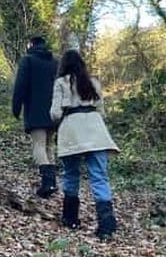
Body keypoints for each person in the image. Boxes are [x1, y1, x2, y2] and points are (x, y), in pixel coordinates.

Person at [50, 49, 119, 239]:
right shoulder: (93, 82)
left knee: (71, 174)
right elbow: (101, 109)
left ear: (63, 65)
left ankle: (70, 218)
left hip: (71, 130)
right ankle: (107, 224)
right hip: (95, 130)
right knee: (99, 177)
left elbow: (55, 113)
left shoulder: (61, 83)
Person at [12, 36, 59, 198]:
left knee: (38, 145)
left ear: (31, 44)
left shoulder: (28, 60)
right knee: (49, 146)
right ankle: (52, 183)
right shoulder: (55, 62)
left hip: (35, 109)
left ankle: (48, 183)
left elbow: (20, 85)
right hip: (54, 111)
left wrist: (16, 108)